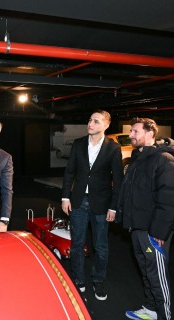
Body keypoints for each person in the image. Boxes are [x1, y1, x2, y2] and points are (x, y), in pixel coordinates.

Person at [117, 118, 174, 320]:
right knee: (146, 270)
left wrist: (159, 232)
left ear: (150, 133)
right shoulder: (138, 159)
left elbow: (171, 198)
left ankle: (164, 315)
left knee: (157, 275)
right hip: (138, 226)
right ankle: (150, 310)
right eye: (131, 131)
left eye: (135, 131)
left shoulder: (164, 160)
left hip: (153, 230)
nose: (131, 135)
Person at [61, 109, 123, 301]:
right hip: (78, 201)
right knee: (77, 243)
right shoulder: (79, 144)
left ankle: (98, 281)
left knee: (101, 246)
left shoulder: (113, 148)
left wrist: (114, 207)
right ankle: (78, 278)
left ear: (105, 125)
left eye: (96, 121)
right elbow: (69, 172)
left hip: (102, 204)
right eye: (89, 120)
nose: (90, 124)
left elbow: (118, 181)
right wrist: (65, 197)